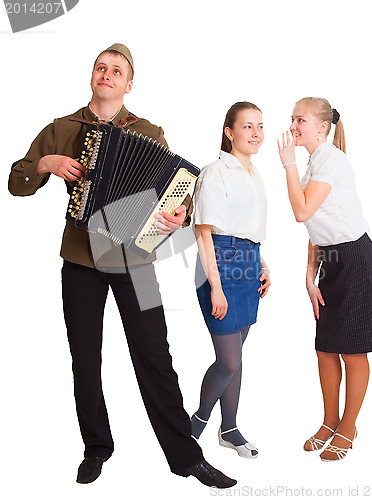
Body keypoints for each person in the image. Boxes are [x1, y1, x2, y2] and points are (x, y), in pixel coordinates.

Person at [8, 43, 236, 489]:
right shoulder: (61, 129)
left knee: (155, 355)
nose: (107, 74)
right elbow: (17, 182)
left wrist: (179, 215)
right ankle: (96, 447)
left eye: (116, 71)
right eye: (100, 68)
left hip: (137, 262)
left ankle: (186, 457)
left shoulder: (149, 131)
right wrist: (46, 163)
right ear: (91, 76)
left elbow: (177, 195)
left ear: (128, 85)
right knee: (85, 357)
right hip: (79, 259)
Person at [277, 97, 372, 461]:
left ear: (322, 126)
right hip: (332, 261)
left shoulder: (331, 159)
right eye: (292, 119)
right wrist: (309, 278)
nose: (294, 125)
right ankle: (329, 421)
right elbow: (316, 230)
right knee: (325, 347)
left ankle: (349, 426)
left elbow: (302, 211)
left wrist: (286, 165)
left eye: (300, 119)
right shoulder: (314, 164)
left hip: (357, 260)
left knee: (352, 349)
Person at [191, 102, 270, 458]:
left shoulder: (255, 175)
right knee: (229, 361)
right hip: (220, 263)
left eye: (260, 127)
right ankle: (195, 424)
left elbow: (249, 231)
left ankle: (230, 429)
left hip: (250, 263)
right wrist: (217, 286)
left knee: (237, 354)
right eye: (248, 126)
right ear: (229, 132)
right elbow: (204, 233)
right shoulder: (215, 172)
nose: (256, 134)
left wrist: (263, 264)